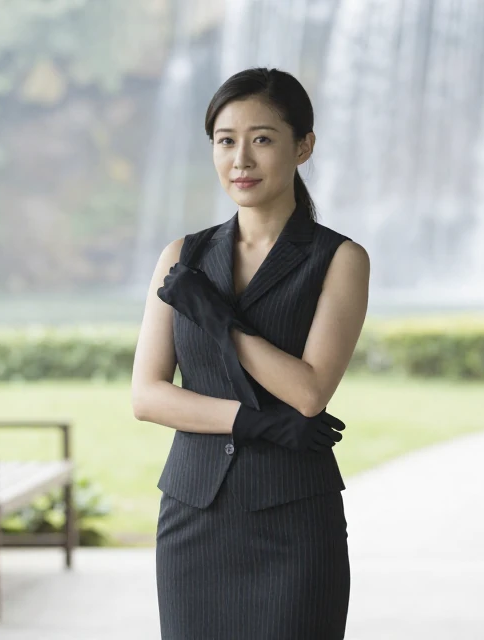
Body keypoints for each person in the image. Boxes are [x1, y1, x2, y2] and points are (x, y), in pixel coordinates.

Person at [131, 67, 370, 640]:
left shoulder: (338, 259)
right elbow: (147, 396)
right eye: (225, 140)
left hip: (293, 519)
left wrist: (220, 323)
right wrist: (256, 424)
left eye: (262, 139)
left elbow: (309, 392)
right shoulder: (181, 257)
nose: (241, 159)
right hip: (194, 514)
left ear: (303, 146)